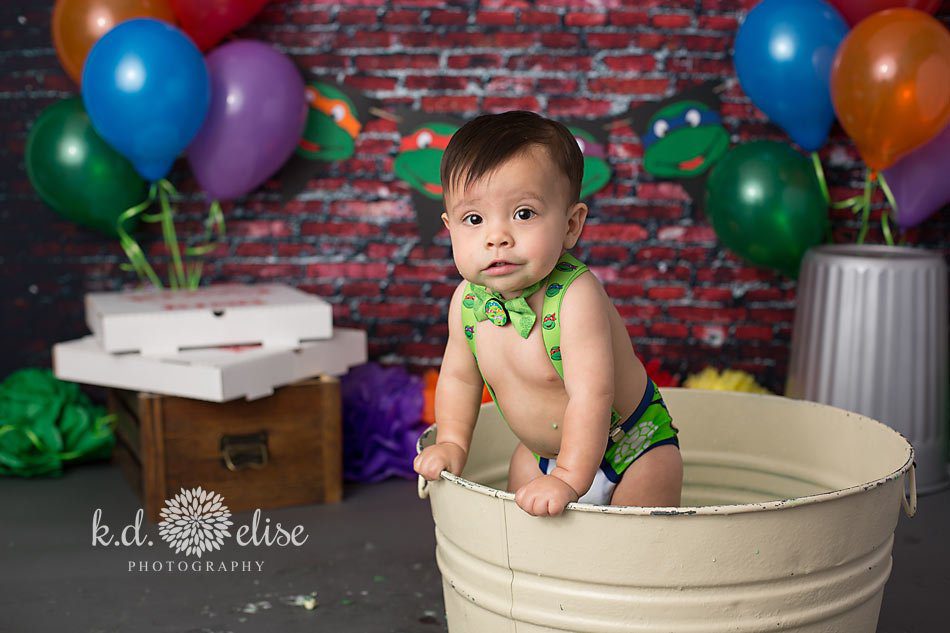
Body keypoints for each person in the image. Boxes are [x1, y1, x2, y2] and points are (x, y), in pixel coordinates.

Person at [413, 110, 682, 516]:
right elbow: (458, 378)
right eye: (474, 219)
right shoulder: (467, 303)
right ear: (450, 228)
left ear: (571, 225)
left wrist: (570, 477)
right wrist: (452, 441)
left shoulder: (576, 297)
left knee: (635, 550)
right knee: (520, 537)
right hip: (542, 454)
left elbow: (592, 394)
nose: (497, 237)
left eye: (524, 213)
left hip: (631, 449)